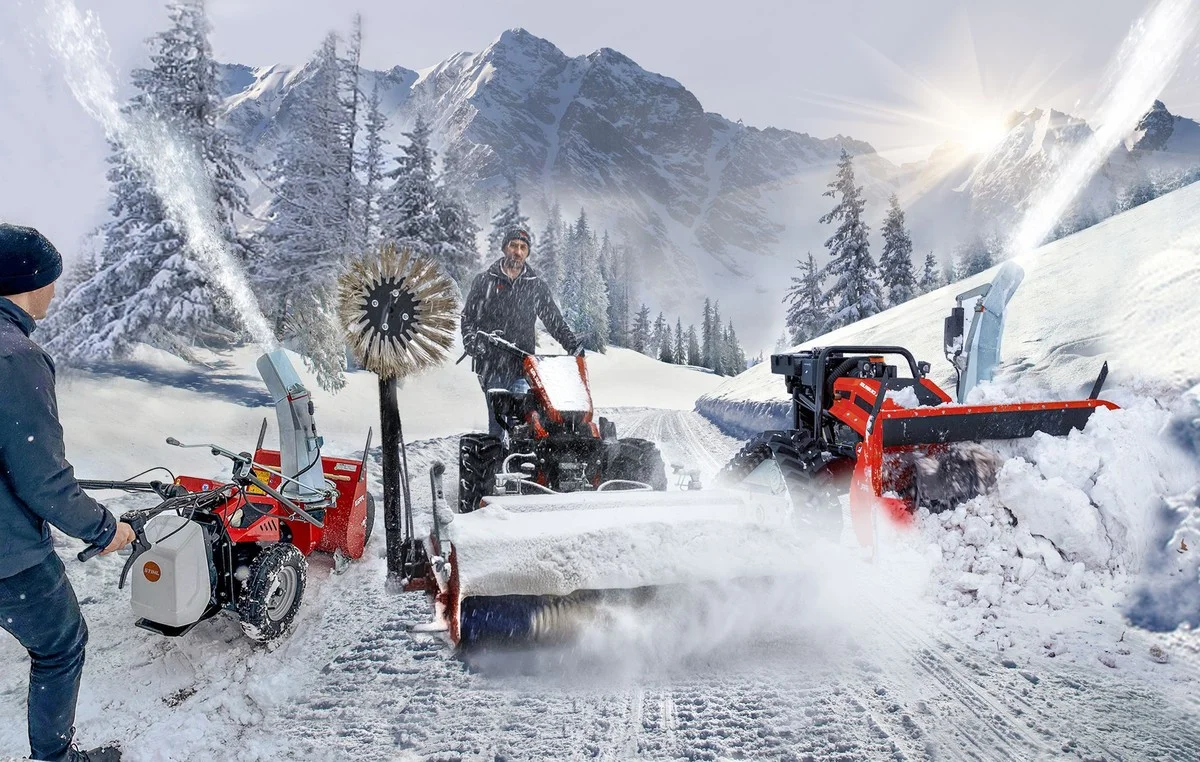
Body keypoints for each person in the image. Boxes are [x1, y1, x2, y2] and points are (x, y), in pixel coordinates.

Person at [0, 223, 134, 762]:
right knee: (61, 645)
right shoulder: (14, 357)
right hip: (9, 554)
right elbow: (43, 480)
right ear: (29, 282)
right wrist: (106, 528)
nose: (57, 290)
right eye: (52, 279)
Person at [461, 227, 582, 435]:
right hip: (492, 364)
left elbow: (554, 320)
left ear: (527, 253)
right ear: (504, 248)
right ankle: (498, 461)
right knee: (499, 423)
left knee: (526, 421)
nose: (518, 251)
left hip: (523, 365)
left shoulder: (535, 286)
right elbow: (468, 318)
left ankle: (524, 463)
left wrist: (572, 345)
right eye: (513, 246)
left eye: (523, 247)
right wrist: (471, 341)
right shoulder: (485, 281)